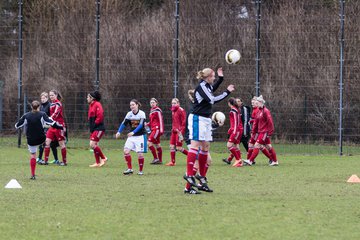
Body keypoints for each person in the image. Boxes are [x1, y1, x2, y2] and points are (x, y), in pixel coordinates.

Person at [183, 67, 234, 194]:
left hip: (205, 119)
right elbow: (212, 99)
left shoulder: (207, 86)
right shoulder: (201, 87)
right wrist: (227, 92)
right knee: (195, 145)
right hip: (198, 119)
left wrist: (221, 78)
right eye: (213, 76)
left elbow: (213, 89)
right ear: (207, 77)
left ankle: (201, 178)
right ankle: (189, 175)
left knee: (206, 147)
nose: (214, 78)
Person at [15, 100, 63, 179]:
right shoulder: (42, 114)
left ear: (31, 107)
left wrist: (19, 123)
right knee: (46, 139)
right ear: (39, 107)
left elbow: (17, 125)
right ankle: (44, 144)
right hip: (41, 138)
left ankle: (33, 174)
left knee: (33, 155)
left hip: (31, 140)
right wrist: (60, 126)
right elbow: (51, 122)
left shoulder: (26, 115)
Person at [244, 95, 278, 166]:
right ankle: (275, 161)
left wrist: (270, 132)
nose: (256, 104)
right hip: (260, 132)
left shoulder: (266, 111)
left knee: (257, 145)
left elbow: (270, 122)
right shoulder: (258, 111)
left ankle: (250, 161)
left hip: (264, 132)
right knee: (269, 147)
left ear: (261, 103)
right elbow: (256, 123)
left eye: (257, 102)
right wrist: (253, 131)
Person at [116, 99, 147, 175]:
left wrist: (133, 132)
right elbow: (124, 124)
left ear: (137, 105)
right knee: (126, 151)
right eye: (130, 105)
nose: (132, 106)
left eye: (133, 104)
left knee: (140, 154)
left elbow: (140, 125)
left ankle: (140, 171)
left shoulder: (142, 114)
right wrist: (119, 132)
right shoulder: (129, 114)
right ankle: (130, 169)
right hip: (131, 137)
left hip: (140, 136)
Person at [42, 89, 68, 166]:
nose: (51, 97)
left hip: (59, 126)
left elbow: (55, 114)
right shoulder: (52, 104)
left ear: (56, 95)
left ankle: (64, 162)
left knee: (61, 144)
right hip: (52, 126)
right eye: (50, 95)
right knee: (47, 142)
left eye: (52, 95)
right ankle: (45, 161)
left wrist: (48, 119)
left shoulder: (58, 104)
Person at [222, 97, 250, 165]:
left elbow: (235, 123)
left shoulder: (233, 111)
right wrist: (230, 130)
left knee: (229, 145)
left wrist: (233, 132)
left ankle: (238, 159)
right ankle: (239, 162)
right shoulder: (236, 110)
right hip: (238, 130)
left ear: (229, 103)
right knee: (236, 145)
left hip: (236, 130)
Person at [37, 92, 59, 165]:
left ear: (47, 98)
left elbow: (52, 117)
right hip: (43, 127)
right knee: (43, 142)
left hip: (49, 127)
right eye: (41, 98)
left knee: (51, 144)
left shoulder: (50, 105)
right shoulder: (41, 106)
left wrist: (49, 124)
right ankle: (40, 158)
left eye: (44, 98)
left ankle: (56, 159)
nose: (42, 99)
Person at [87, 90, 107, 168]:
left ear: (92, 98)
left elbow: (100, 116)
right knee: (94, 145)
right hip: (94, 128)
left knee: (92, 144)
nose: (87, 98)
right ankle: (97, 162)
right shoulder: (91, 105)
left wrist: (95, 124)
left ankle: (104, 158)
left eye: (88, 97)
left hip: (99, 128)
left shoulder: (97, 104)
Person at [165, 98, 187, 166]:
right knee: (171, 146)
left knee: (178, 148)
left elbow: (184, 122)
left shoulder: (181, 110)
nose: (173, 104)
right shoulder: (173, 110)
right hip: (174, 131)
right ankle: (172, 162)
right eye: (172, 103)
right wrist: (173, 128)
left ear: (178, 103)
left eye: (175, 103)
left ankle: (193, 157)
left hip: (179, 132)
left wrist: (181, 132)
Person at [147, 98, 164, 165]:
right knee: (157, 144)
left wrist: (161, 130)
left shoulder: (157, 110)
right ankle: (160, 160)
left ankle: (156, 158)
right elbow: (152, 121)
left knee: (149, 143)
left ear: (156, 103)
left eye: (153, 102)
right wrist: (147, 124)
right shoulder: (151, 110)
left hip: (157, 129)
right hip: (153, 129)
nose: (152, 104)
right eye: (151, 103)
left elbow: (160, 120)